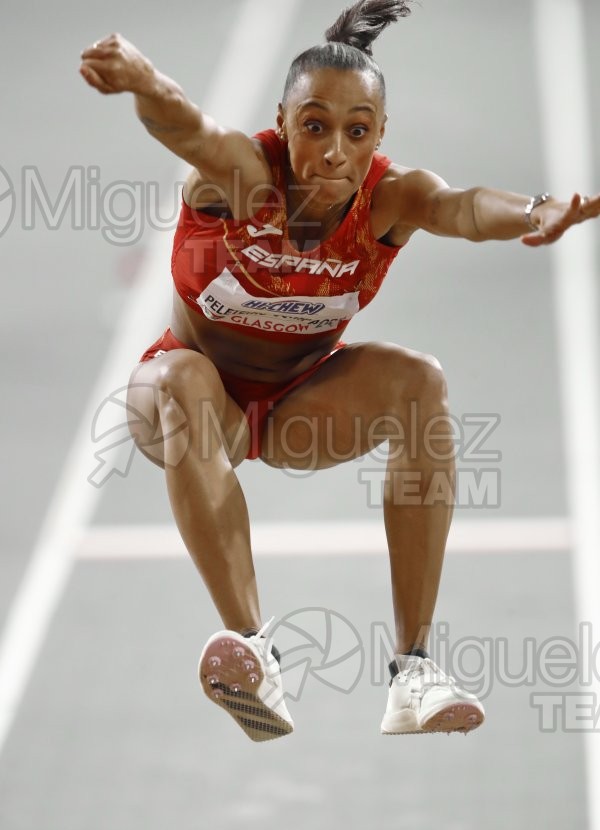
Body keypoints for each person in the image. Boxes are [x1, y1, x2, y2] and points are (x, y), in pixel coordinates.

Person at [80, 0, 599, 742]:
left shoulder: (391, 199)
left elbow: (462, 208)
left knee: (420, 382)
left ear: (379, 135)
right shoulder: (241, 178)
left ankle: (415, 672)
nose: (333, 150)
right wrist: (141, 80)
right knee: (184, 381)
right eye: (314, 125)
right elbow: (187, 126)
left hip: (299, 406)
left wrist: (535, 210)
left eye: (357, 132)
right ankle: (254, 652)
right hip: (189, 401)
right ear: (283, 122)